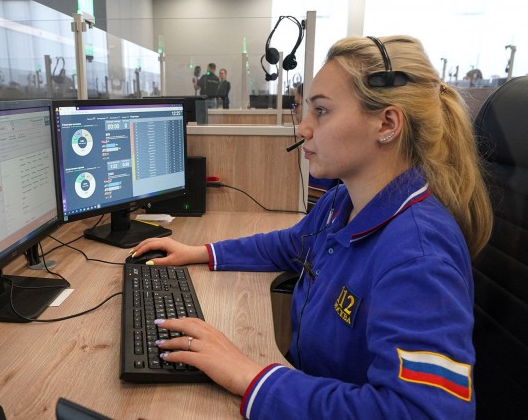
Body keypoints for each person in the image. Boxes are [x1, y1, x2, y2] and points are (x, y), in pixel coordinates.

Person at [129, 35, 493, 419]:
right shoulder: (343, 202)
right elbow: (289, 244)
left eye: (321, 111)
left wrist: (249, 375)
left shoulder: (418, 257)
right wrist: (201, 252)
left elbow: (423, 413)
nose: (303, 128)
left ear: (387, 123)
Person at [292, 83, 340, 211]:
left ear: (386, 124)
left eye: (320, 110)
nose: (301, 130)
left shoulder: (327, 171)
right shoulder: (340, 197)